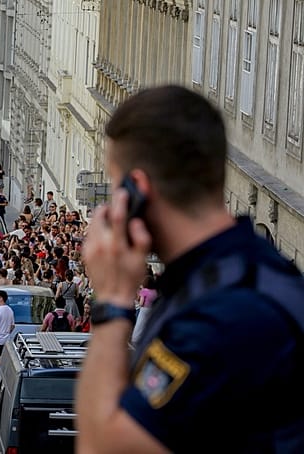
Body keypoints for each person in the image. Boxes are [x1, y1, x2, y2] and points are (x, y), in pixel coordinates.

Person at [76, 86, 304, 452]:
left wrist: (112, 299)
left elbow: (101, 446)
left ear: (138, 190)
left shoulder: (221, 314)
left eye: (117, 186)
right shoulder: (248, 272)